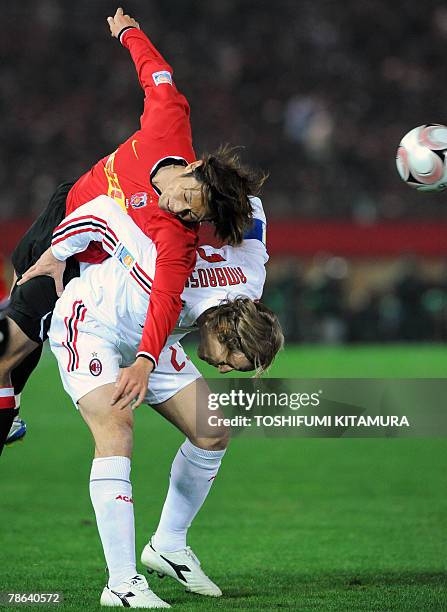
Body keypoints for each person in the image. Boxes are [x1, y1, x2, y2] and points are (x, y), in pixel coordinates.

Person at [0, 7, 265, 453]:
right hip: (62, 211)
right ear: (195, 167)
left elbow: (166, 294)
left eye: (192, 215)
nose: (177, 207)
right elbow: (157, 74)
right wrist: (129, 33)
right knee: (19, 319)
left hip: (83, 260)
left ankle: (8, 407)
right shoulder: (169, 122)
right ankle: (14, 400)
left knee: (16, 340)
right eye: (187, 197)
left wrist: (144, 357)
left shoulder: (173, 232)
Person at [29, 192, 282, 607]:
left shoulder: (250, 280)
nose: (221, 370)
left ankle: (168, 543)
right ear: (220, 332)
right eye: (228, 362)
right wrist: (57, 254)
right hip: (94, 325)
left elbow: (253, 204)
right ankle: (121, 583)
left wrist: (226, 199)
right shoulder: (159, 272)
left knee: (212, 431)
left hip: (154, 343)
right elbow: (101, 213)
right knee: (116, 428)